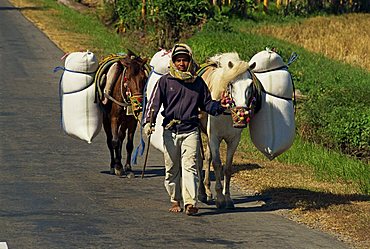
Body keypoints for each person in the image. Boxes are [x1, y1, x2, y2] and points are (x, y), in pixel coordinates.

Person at [143, 43, 229, 216]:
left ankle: (190, 202)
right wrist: (148, 122)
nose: (181, 63)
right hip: (170, 130)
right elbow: (154, 103)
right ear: (173, 62)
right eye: (178, 60)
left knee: (190, 166)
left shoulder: (197, 83)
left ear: (190, 61)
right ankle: (175, 198)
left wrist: (221, 106)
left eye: (185, 60)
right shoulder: (165, 81)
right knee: (172, 168)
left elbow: (207, 104)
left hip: (190, 130)